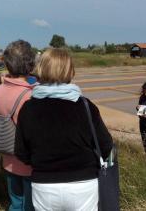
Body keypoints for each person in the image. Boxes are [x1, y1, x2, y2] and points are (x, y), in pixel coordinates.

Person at [15, 48, 113, 211]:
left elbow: (20, 151)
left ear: (41, 69)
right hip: (83, 184)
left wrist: (42, 162)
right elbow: (106, 145)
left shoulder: (28, 108)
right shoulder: (85, 106)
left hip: (44, 184)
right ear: (70, 71)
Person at [0, 40, 36, 211]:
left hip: (8, 158)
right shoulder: (32, 93)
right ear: (31, 63)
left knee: (16, 203)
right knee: (31, 205)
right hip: (30, 163)